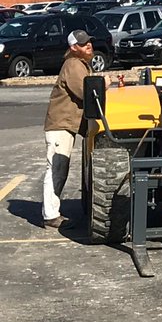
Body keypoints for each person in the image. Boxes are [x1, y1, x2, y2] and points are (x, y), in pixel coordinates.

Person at [42, 29, 94, 229]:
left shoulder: (79, 64)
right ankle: (50, 215)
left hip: (66, 125)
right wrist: (103, 85)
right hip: (60, 125)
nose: (88, 45)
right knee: (56, 169)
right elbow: (85, 91)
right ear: (74, 48)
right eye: (83, 44)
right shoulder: (73, 64)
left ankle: (52, 213)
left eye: (89, 42)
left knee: (60, 169)